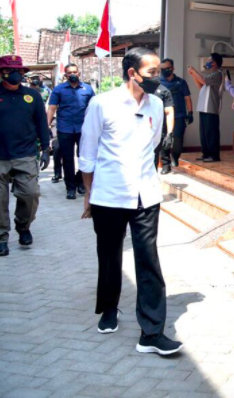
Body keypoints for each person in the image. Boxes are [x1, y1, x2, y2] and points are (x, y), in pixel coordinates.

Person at [79, 47, 183, 355]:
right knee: (110, 256)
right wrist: (88, 194)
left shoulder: (154, 104)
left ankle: (151, 332)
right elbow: (88, 152)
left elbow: (152, 145)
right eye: (151, 73)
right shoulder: (102, 103)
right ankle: (109, 308)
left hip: (146, 195)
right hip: (108, 195)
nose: (158, 79)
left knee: (148, 260)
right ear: (132, 73)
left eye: (160, 73)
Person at [0, 55, 51, 256]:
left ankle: (23, 225)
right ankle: (0, 238)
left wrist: (45, 149)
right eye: (9, 71)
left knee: (30, 193)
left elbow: (42, 123)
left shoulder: (32, 96)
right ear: (0, 73)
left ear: (24, 73)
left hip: (25, 154)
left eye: (19, 71)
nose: (15, 75)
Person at [47, 63, 95, 199]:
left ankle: (80, 182)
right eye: (69, 72)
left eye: (75, 72)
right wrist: (47, 125)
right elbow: (52, 108)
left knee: (84, 157)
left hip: (84, 128)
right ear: (66, 75)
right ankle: (70, 187)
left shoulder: (88, 88)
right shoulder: (59, 89)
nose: (72, 74)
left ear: (79, 73)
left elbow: (94, 108)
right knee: (67, 159)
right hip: (65, 128)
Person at [187, 53, 224, 162]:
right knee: (204, 133)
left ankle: (214, 155)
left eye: (209, 60)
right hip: (203, 107)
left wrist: (194, 71)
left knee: (211, 132)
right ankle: (206, 154)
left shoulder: (218, 74)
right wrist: (193, 75)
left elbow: (203, 80)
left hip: (211, 107)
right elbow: (201, 86)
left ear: (215, 63)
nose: (207, 63)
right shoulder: (209, 75)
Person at [159, 58, 193, 172]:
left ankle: (175, 155)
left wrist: (190, 112)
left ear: (173, 68)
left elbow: (187, 98)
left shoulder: (181, 82)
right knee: (164, 140)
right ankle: (165, 165)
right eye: (162, 69)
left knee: (177, 140)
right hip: (162, 116)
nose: (165, 71)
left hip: (179, 116)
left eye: (167, 68)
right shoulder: (158, 83)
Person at [151, 78, 175, 174]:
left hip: (158, 129)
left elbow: (169, 112)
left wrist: (169, 134)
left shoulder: (164, 91)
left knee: (156, 156)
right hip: (140, 130)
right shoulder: (140, 90)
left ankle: (165, 165)